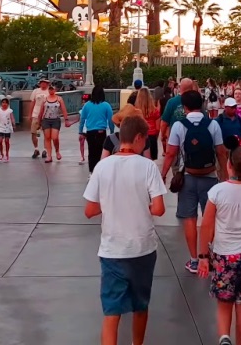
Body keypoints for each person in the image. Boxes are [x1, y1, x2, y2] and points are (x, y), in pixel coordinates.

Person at [83, 115, 167, 345]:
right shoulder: (148, 166)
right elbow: (159, 209)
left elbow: (89, 210)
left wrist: (112, 201)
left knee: (112, 312)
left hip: (112, 250)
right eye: (145, 140)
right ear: (138, 138)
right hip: (142, 248)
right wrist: (139, 203)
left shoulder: (102, 166)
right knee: (140, 306)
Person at [197, 146, 241, 345]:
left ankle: (224, 338)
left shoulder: (217, 192)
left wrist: (203, 257)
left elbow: (206, 226)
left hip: (224, 255)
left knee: (224, 303)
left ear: (229, 165)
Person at [161, 90, 228, 273]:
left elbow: (171, 153)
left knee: (189, 218)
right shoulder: (213, 124)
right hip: (210, 177)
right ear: (202, 104)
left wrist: (163, 174)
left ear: (185, 107)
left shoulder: (179, 126)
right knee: (209, 218)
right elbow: (221, 152)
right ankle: (208, 256)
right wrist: (225, 176)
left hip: (188, 177)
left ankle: (194, 260)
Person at [80, 85, 115, 174]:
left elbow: (82, 119)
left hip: (90, 132)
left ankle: (91, 171)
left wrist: (80, 131)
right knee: (101, 152)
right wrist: (112, 131)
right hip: (101, 132)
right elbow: (111, 120)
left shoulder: (87, 105)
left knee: (91, 152)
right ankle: (100, 171)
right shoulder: (106, 105)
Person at [159, 78, 196, 156]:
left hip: (176, 139)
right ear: (192, 87)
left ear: (180, 87)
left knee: (175, 160)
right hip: (193, 137)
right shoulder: (197, 100)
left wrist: (163, 135)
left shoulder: (172, 102)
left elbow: (164, 122)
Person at [38, 85, 71, 163]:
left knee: (55, 137)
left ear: (55, 90)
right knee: (47, 137)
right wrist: (39, 121)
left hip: (55, 120)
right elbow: (41, 111)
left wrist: (66, 119)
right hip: (46, 120)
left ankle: (57, 151)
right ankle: (49, 156)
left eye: (52, 89)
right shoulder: (45, 99)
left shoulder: (59, 99)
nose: (51, 91)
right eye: (50, 89)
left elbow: (63, 109)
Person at [134, 88, 161, 160]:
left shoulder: (135, 111)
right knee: (150, 161)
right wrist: (155, 137)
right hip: (152, 137)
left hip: (139, 137)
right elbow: (158, 128)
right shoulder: (155, 111)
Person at [30, 77, 51, 159]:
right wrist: (30, 114)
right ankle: (36, 149)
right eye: (42, 82)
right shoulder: (35, 91)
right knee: (33, 132)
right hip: (36, 114)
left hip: (46, 115)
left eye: (45, 82)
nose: (43, 84)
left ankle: (45, 150)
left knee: (46, 134)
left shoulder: (50, 91)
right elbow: (32, 102)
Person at [0, 97, 16, 162]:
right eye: (3, 102)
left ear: (8, 104)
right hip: (1, 127)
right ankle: (1, 153)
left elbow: (12, 118)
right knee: (0, 141)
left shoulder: (9, 111)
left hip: (7, 127)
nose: (4, 104)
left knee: (6, 141)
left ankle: (7, 154)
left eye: (6, 103)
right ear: (1, 104)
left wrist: (14, 124)